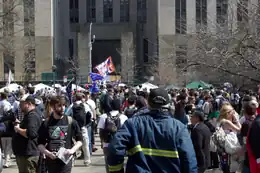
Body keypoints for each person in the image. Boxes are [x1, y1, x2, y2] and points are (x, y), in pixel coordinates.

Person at [107, 88, 197, 173]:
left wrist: (117, 171)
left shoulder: (132, 124)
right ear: (168, 105)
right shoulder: (179, 128)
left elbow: (115, 148)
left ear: (148, 103)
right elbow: (189, 160)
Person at [38, 96, 83, 173]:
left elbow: (80, 140)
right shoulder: (46, 123)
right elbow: (40, 144)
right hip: (51, 162)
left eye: (64, 105)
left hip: (66, 161)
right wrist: (48, 154)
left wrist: (72, 150)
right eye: (59, 106)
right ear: (53, 107)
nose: (63, 108)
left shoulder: (71, 121)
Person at [12, 95, 42, 173]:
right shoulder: (30, 115)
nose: (19, 105)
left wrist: (18, 129)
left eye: (21, 103)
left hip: (28, 155)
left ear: (28, 104)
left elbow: (31, 133)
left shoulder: (32, 116)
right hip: (25, 154)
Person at [98, 98, 128, 173]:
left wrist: (102, 143)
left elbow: (101, 132)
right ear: (120, 106)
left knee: (108, 165)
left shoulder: (103, 116)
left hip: (107, 145)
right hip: (119, 145)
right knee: (119, 164)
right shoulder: (124, 117)